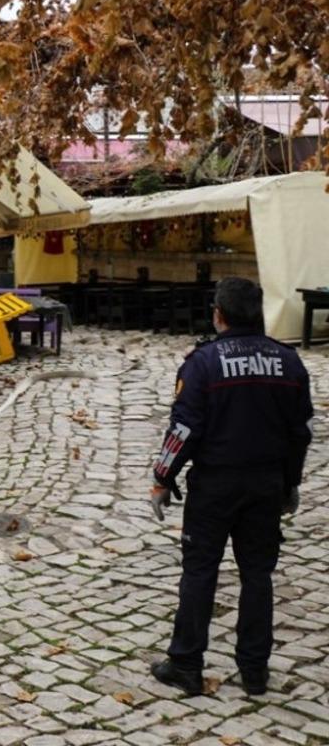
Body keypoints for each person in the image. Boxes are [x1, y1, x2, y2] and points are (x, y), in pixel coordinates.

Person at [149, 277, 313, 697]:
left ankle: (186, 662)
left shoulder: (203, 363)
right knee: (258, 573)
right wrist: (290, 482)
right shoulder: (288, 363)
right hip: (265, 484)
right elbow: (301, 432)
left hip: (215, 485)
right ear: (260, 314)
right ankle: (255, 669)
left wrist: (162, 478)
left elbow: (184, 429)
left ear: (218, 315)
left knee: (200, 571)